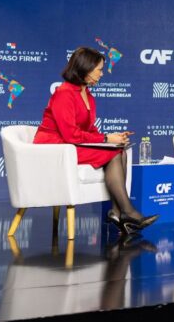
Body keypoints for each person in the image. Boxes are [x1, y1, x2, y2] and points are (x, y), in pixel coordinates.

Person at [34, 46, 157, 234]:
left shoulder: (88, 96)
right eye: (99, 69)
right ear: (85, 68)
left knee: (119, 151)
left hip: (70, 145)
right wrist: (106, 138)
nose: (102, 73)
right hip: (55, 147)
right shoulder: (64, 93)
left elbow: (89, 130)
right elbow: (70, 134)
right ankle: (128, 212)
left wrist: (112, 138)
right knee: (113, 154)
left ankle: (117, 212)